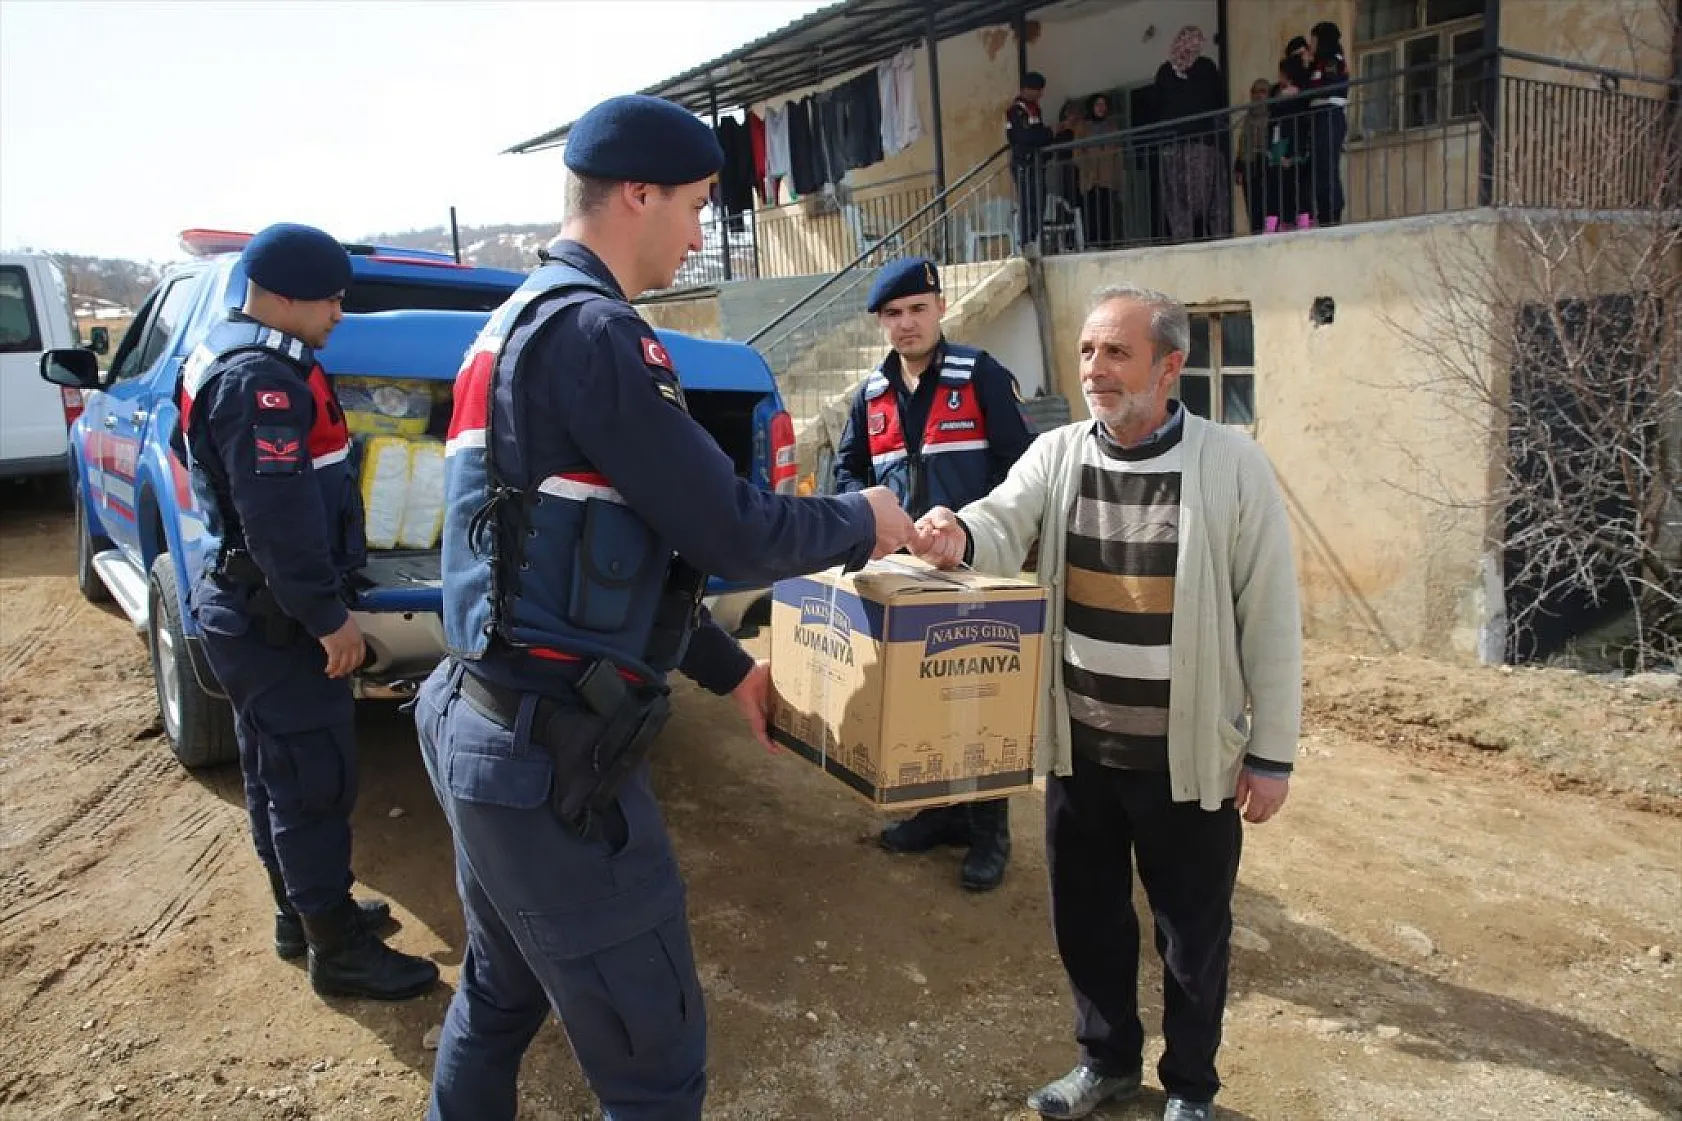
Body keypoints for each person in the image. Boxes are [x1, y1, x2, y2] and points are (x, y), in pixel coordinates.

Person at [416, 94, 917, 1121]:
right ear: (634, 193)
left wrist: (731, 670)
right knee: (655, 1068)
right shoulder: (595, 332)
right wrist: (865, 516)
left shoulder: (514, 320)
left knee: (501, 994)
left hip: (483, 726)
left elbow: (599, 557)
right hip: (554, 768)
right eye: (693, 205)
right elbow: (727, 530)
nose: (699, 233)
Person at [913, 284, 1302, 1121]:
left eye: (1116, 352)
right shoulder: (1057, 455)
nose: (1095, 369)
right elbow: (1000, 518)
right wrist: (954, 529)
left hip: (1185, 759)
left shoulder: (1233, 466)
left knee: (1192, 939)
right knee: (1087, 921)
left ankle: (1192, 1087)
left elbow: (1270, 616)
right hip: (1079, 750)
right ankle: (1107, 1063)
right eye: (1087, 351)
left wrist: (1271, 753)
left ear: (1170, 366)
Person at [178, 223, 439, 1001]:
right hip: (278, 620)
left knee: (276, 772)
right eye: (329, 297)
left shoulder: (242, 356)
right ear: (283, 295)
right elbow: (279, 525)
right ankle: (337, 949)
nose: (339, 312)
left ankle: (304, 912)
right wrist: (329, 619)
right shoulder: (263, 384)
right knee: (311, 782)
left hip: (254, 612)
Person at [833, 256, 1036, 892]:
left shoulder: (979, 375)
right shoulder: (870, 395)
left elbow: (1022, 469)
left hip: (974, 565)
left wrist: (968, 525)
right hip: (904, 575)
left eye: (917, 308)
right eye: (892, 314)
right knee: (923, 699)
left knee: (980, 699)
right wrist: (869, 526)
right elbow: (847, 475)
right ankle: (942, 814)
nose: (906, 323)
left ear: (940, 308)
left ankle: (988, 829)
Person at [1153, 26, 1230, 243]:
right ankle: (1197, 243)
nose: (1192, 46)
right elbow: (1218, 99)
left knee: (1194, 201)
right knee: (1192, 201)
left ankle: (1198, 243)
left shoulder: (1199, 68)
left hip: (1189, 143)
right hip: (1190, 143)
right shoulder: (1173, 71)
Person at [1304, 21, 1350, 226]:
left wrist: (1310, 81)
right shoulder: (1318, 63)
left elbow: (1326, 86)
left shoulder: (1332, 61)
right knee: (1319, 167)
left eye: (1313, 40)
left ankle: (1332, 211)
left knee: (1327, 167)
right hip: (1318, 116)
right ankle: (1323, 210)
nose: (1310, 45)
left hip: (1329, 114)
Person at [1266, 51, 1316, 232]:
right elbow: (1272, 119)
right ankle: (1276, 223)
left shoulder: (1300, 97)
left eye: (1281, 73)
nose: (1279, 77)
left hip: (1293, 147)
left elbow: (1299, 127)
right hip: (1278, 145)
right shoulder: (1277, 93)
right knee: (1276, 187)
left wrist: (1292, 154)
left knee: (1297, 185)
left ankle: (1302, 220)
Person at [1006, 71, 1055, 249]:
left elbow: (1037, 135)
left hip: (1035, 161)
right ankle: (1028, 240)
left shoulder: (1034, 109)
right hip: (1024, 162)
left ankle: (1035, 237)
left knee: (1038, 201)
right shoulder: (1017, 110)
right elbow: (1024, 136)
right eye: (1038, 90)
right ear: (1028, 89)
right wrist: (1050, 132)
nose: (1041, 94)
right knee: (1029, 203)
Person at [1080, 93, 1122, 248]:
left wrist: (1118, 179)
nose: (1101, 108)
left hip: (1108, 177)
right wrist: (1088, 168)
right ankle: (1091, 243)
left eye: (1104, 104)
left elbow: (1118, 153)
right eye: (1098, 104)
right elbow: (1077, 152)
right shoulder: (1083, 127)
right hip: (1090, 178)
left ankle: (1107, 243)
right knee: (1091, 212)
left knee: (1107, 212)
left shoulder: (1112, 127)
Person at [1234, 78, 1274, 235]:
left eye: (1262, 92)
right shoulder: (1248, 117)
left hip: (1267, 163)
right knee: (1252, 205)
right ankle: (1256, 233)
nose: (1258, 96)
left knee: (1268, 203)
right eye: (1254, 92)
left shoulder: (1273, 114)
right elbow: (1242, 143)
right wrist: (1238, 167)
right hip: (1249, 165)